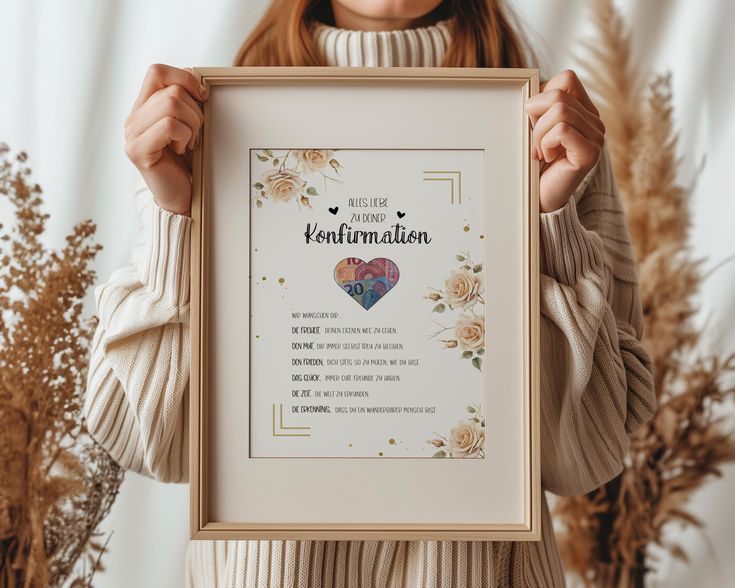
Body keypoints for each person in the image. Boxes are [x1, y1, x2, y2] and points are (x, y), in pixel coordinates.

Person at [84, 0, 656, 586]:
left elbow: (589, 453)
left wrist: (550, 218)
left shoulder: (551, 133)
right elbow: (145, 441)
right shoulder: (212, 130)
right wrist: (176, 216)